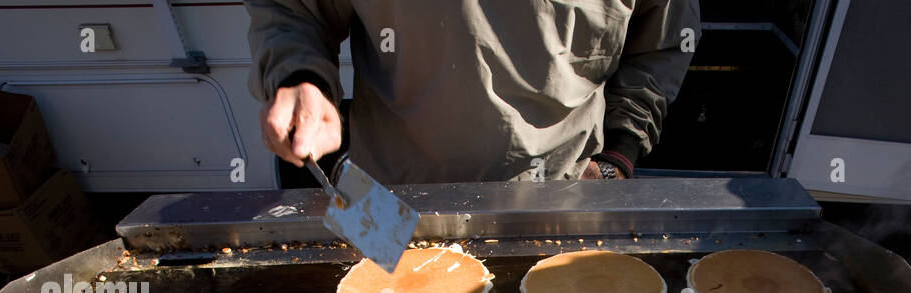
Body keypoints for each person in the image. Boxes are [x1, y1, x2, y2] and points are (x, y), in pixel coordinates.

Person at [244, 0, 698, 185]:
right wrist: (300, 77)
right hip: (385, 199)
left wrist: (619, 153)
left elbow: (662, 42)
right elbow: (292, 11)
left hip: (566, 193)